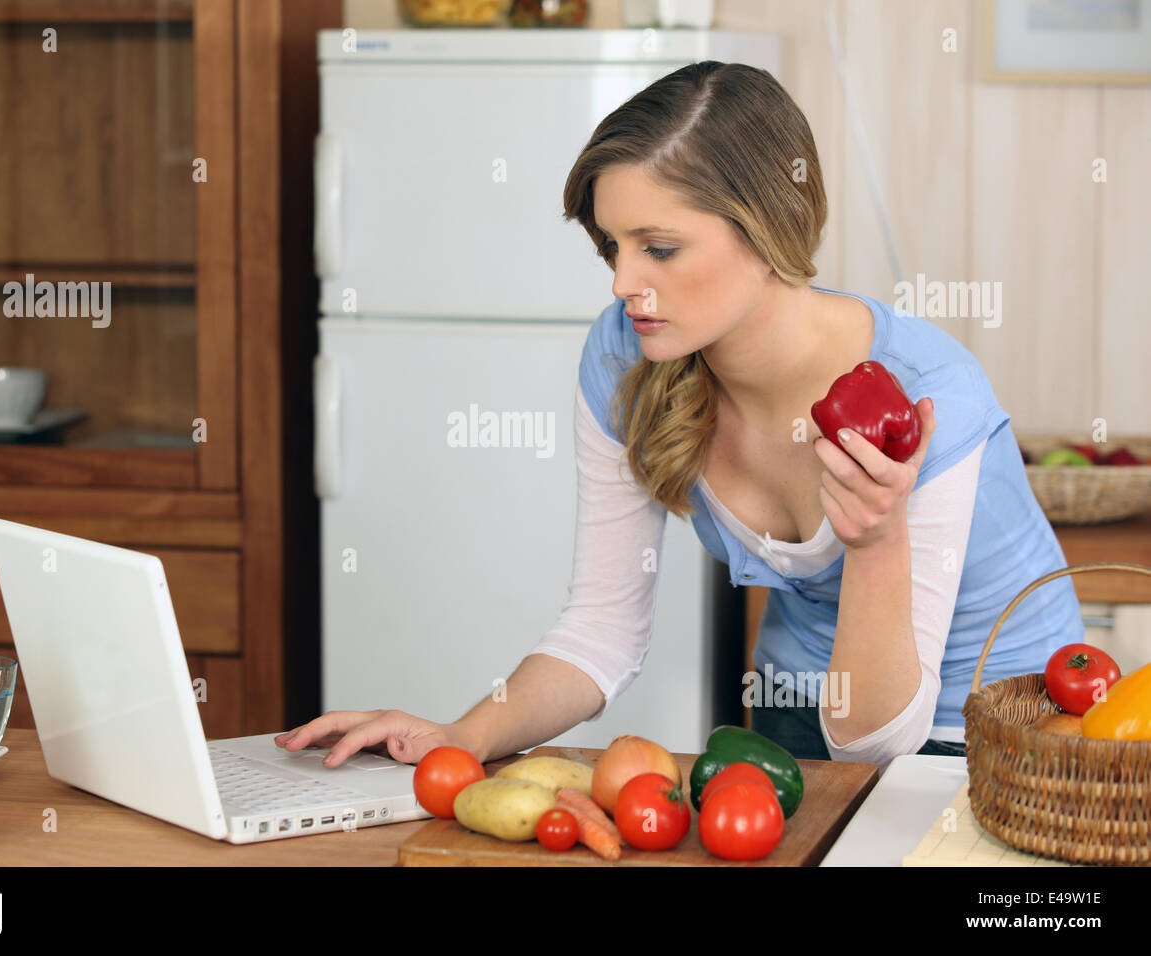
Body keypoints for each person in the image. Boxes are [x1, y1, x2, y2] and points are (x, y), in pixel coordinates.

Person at [277, 61, 1083, 771]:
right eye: (610, 247)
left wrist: (874, 544)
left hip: (1007, 731)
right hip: (801, 703)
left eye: (658, 250)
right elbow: (601, 630)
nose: (624, 283)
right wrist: (462, 736)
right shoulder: (626, 355)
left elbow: (880, 746)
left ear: (769, 231)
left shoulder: (926, 392)